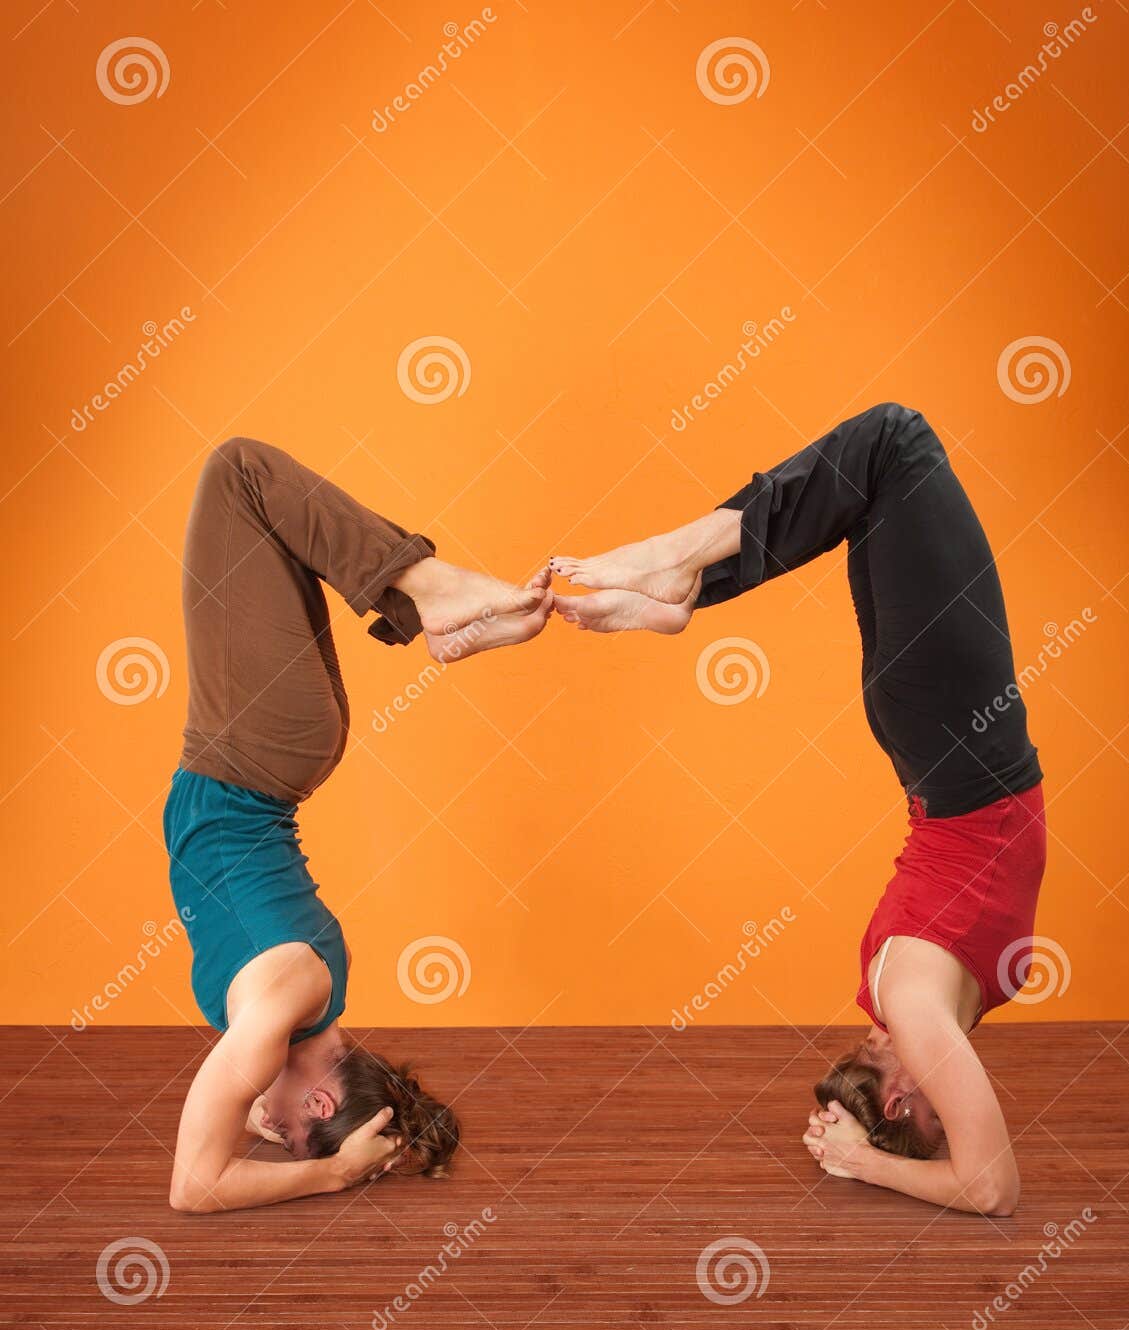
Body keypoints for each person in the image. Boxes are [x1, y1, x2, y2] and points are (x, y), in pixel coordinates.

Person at [551, 402, 1045, 1216]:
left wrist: (863, 1162)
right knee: (873, 487)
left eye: (942, 1121)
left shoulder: (918, 1010)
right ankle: (687, 584)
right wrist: (860, 1153)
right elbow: (979, 1173)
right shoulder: (931, 1006)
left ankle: (680, 565)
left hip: (959, 750)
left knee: (893, 445)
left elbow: (991, 1187)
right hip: (940, 747)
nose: (965, 1116)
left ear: (901, 1102)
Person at [166, 437, 553, 1213]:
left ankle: (421, 608)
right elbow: (194, 1187)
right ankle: (431, 591)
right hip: (254, 749)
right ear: (316, 1105)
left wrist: (279, 1122)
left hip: (278, 749)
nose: (262, 1129)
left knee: (260, 514)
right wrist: (330, 1172)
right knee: (239, 474)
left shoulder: (316, 995)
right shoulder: (280, 1006)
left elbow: (247, 1108)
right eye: (284, 1129)